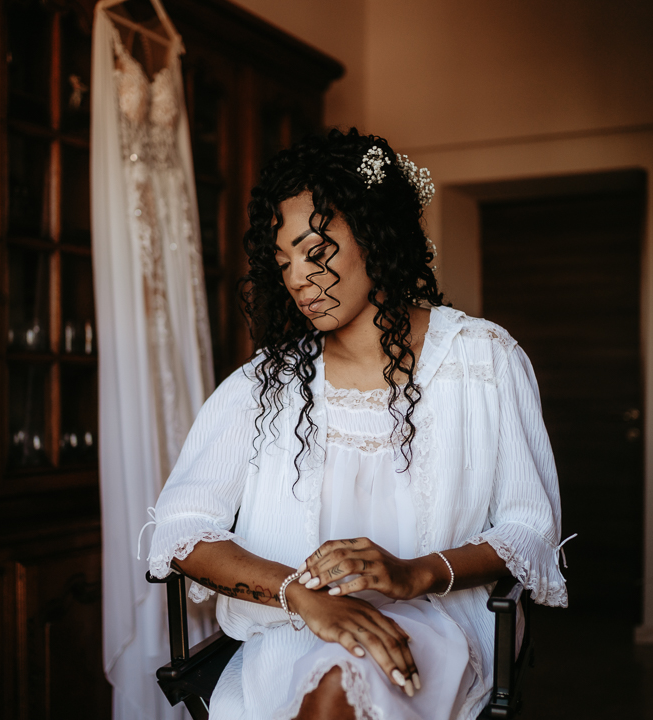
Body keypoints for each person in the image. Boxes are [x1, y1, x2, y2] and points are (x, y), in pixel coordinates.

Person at [146, 128, 568, 720]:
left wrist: (413, 572)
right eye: (283, 261)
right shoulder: (264, 385)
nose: (296, 279)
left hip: (443, 620)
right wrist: (303, 597)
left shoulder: (483, 360)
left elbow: (529, 529)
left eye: (316, 252)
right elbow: (182, 529)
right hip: (294, 628)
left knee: (346, 683)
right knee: (332, 678)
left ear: (375, 233)